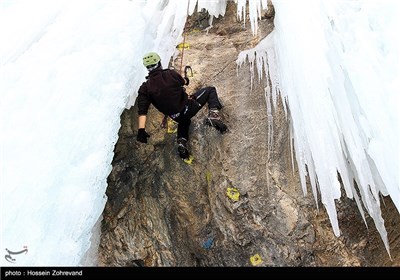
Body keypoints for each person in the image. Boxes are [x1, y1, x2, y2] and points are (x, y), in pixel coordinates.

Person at [136, 52, 227, 160]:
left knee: (184, 121)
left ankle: (182, 142)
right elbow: (183, 82)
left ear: (147, 68)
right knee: (210, 90)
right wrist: (186, 80)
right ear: (159, 63)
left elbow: (142, 110)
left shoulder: (145, 88)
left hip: (176, 116)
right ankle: (214, 115)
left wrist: (141, 130)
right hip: (188, 108)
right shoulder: (169, 74)